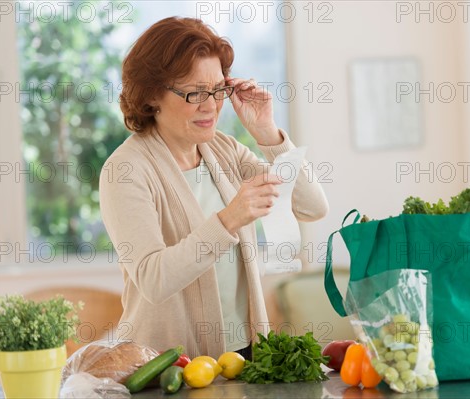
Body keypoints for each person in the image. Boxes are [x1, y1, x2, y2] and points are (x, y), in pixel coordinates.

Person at [99, 16, 328, 360]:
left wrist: (267, 132)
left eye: (218, 89)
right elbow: (153, 279)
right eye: (195, 93)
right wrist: (229, 219)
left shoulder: (224, 150)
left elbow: (312, 206)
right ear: (151, 97)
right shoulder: (126, 170)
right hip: (167, 366)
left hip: (246, 354)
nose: (211, 105)